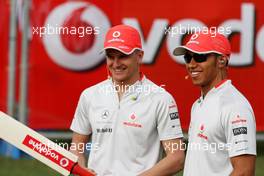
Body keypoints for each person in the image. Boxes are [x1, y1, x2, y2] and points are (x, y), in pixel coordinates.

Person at [70, 24, 185, 176]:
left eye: (123, 56)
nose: (116, 63)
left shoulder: (161, 98)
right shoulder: (90, 95)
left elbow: (176, 158)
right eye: (111, 56)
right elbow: (77, 146)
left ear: (139, 56)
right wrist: (82, 168)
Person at [173, 32, 256, 176]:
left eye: (200, 57)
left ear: (222, 60)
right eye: (188, 57)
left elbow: (244, 171)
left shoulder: (235, 106)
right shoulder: (198, 104)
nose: (191, 64)